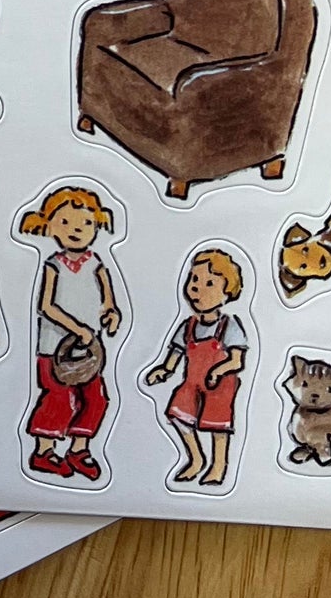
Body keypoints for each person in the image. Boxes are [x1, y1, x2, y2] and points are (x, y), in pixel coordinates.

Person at [20, 185, 123, 481]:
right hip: (54, 348)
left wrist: (111, 313)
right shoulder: (53, 266)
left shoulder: (96, 264)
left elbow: (108, 299)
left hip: (89, 350)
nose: (76, 229)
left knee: (96, 398)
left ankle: (79, 449)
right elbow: (46, 306)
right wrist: (78, 329)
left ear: (97, 225)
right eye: (65, 222)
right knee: (58, 398)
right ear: (49, 225)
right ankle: (44, 452)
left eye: (86, 223)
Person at [144, 248, 248, 486]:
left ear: (227, 293)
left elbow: (237, 361)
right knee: (178, 415)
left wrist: (218, 371)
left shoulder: (229, 326)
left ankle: (218, 466)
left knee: (217, 426)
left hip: (219, 385)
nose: (198, 288)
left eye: (209, 283)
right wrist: (165, 370)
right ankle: (196, 459)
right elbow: (175, 353)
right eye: (194, 280)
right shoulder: (188, 325)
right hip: (192, 382)